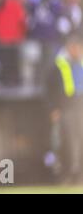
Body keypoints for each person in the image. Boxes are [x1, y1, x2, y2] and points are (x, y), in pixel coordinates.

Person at [47, 33, 83, 184]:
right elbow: (50, 89)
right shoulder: (59, 64)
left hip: (80, 107)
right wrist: (53, 108)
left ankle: (79, 174)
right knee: (67, 141)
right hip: (66, 107)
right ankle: (69, 173)